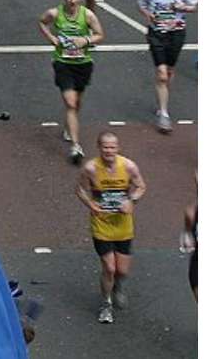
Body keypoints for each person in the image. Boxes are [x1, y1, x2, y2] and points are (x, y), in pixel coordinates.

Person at [80, 131, 145, 324]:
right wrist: (91, 205)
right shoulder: (90, 168)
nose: (109, 150)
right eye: (105, 147)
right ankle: (106, 304)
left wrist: (131, 200)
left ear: (118, 148)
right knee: (109, 267)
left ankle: (118, 287)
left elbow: (141, 186)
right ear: (99, 148)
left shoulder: (128, 166)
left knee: (122, 271)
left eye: (112, 147)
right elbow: (80, 189)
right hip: (102, 224)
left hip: (124, 225)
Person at [38, 0, 101, 164]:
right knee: (70, 102)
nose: (73, 1)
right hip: (62, 62)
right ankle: (76, 145)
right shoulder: (55, 13)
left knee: (77, 102)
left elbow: (100, 34)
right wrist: (51, 38)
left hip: (83, 62)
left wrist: (86, 41)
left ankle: (69, 125)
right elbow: (42, 22)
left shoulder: (87, 15)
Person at [138, 0, 194, 133]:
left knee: (169, 71)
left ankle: (164, 100)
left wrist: (182, 7)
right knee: (161, 73)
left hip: (176, 34)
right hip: (157, 34)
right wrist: (148, 14)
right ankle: (164, 114)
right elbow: (141, 3)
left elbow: (196, 5)